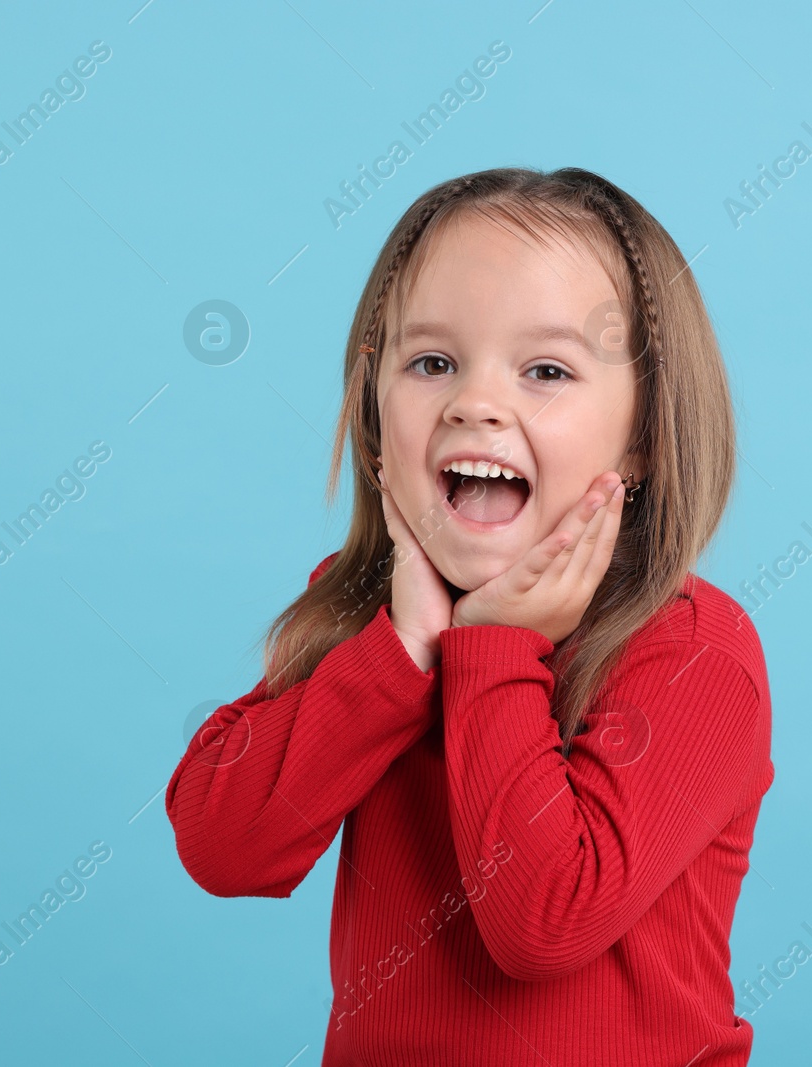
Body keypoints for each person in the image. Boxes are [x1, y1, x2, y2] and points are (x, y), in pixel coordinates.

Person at [164, 166, 774, 1066]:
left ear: (643, 434)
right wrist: (403, 650)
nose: (475, 403)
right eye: (433, 361)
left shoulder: (692, 651)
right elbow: (225, 845)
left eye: (546, 370)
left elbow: (542, 921)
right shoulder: (373, 620)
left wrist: (493, 647)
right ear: (375, 414)